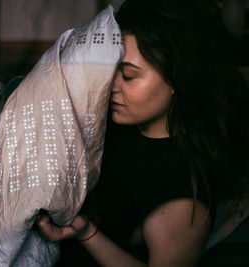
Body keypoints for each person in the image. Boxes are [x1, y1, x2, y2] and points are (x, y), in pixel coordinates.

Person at [36, 0, 249, 266]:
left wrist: (86, 232)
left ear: (178, 80)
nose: (112, 85)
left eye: (128, 76)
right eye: (111, 69)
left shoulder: (182, 200)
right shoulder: (118, 122)